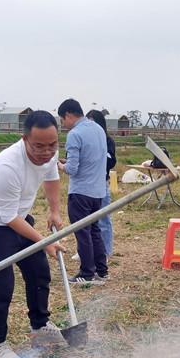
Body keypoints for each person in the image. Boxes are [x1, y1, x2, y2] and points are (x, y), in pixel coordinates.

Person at [0, 110, 66, 358]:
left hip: (20, 218)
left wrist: (55, 210)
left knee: (39, 273)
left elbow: (52, 177)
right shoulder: (7, 166)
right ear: (24, 139)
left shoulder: (50, 151)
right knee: (2, 285)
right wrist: (45, 242)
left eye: (52, 145)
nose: (46, 151)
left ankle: (40, 327)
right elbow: (9, 218)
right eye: (39, 146)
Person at [56, 98, 108, 285]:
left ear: (69, 115)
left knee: (82, 232)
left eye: (62, 120)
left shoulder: (75, 134)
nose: (63, 124)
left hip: (81, 192)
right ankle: (101, 270)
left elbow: (73, 169)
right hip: (98, 191)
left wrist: (60, 165)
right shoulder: (98, 129)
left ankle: (86, 273)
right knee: (94, 230)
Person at [86, 110, 116, 256]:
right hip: (85, 186)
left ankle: (105, 251)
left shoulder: (107, 140)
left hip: (101, 184)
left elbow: (111, 162)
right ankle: (86, 250)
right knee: (85, 221)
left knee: (103, 219)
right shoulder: (84, 139)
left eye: (93, 122)